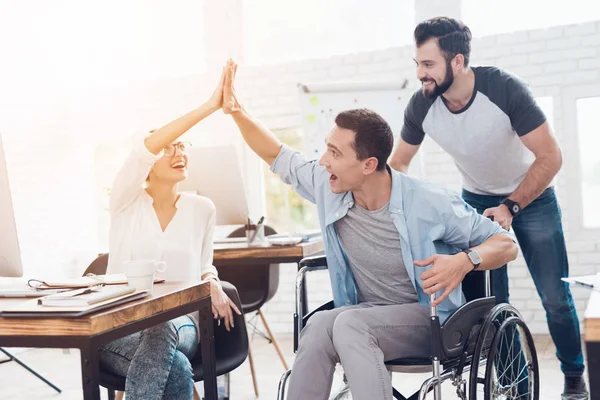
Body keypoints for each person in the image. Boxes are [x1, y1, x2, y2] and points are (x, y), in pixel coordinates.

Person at [221, 59, 518, 400]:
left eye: (334, 152)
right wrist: (235, 111)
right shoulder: (329, 185)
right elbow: (276, 154)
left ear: (368, 165)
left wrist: (465, 261)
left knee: (349, 324)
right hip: (368, 313)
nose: (323, 162)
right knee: (318, 325)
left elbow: (505, 244)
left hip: (434, 320)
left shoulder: (428, 201)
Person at [389, 17, 588, 400]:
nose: (420, 74)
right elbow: (398, 166)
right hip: (476, 201)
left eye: (428, 65)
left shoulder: (503, 89)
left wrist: (511, 205)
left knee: (554, 297)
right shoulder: (423, 105)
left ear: (458, 61)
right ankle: (517, 386)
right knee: (493, 304)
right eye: (417, 64)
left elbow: (551, 156)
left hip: (531, 196)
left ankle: (574, 376)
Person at [98, 63, 241, 400]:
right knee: (174, 367)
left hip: (183, 324)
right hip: (120, 328)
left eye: (182, 146)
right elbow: (144, 147)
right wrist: (209, 107)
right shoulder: (124, 203)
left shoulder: (202, 208)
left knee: (162, 328)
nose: (179, 152)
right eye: (168, 147)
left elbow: (205, 264)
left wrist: (213, 280)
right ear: (147, 165)